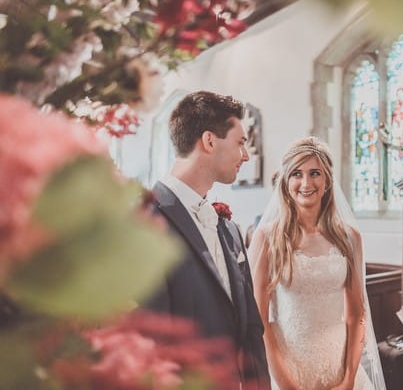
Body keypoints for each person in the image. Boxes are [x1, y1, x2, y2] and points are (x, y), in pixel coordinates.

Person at [146, 91, 271, 389]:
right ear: (210, 141)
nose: (246, 155)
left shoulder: (229, 229)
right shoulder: (145, 224)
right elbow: (150, 345)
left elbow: (250, 328)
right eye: (241, 142)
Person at [248, 137, 386, 390]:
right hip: (288, 368)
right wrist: (286, 384)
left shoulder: (349, 237)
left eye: (315, 173)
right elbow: (259, 321)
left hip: (340, 367)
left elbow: (357, 315)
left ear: (327, 181)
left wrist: (348, 379)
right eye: (297, 174)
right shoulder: (267, 237)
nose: (306, 183)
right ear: (286, 181)